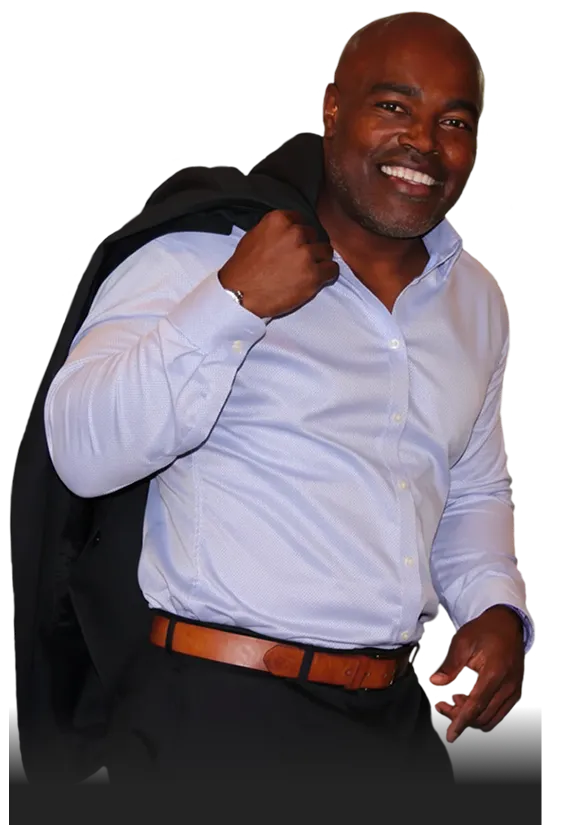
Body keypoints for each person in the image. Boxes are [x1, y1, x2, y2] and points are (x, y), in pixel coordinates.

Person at [41, 10, 532, 813]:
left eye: (453, 121)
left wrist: (495, 606)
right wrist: (232, 300)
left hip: (395, 724)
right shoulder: (201, 252)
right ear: (331, 110)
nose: (422, 142)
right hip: (216, 719)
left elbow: (468, 486)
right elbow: (81, 452)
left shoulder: (474, 296)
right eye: (393, 106)